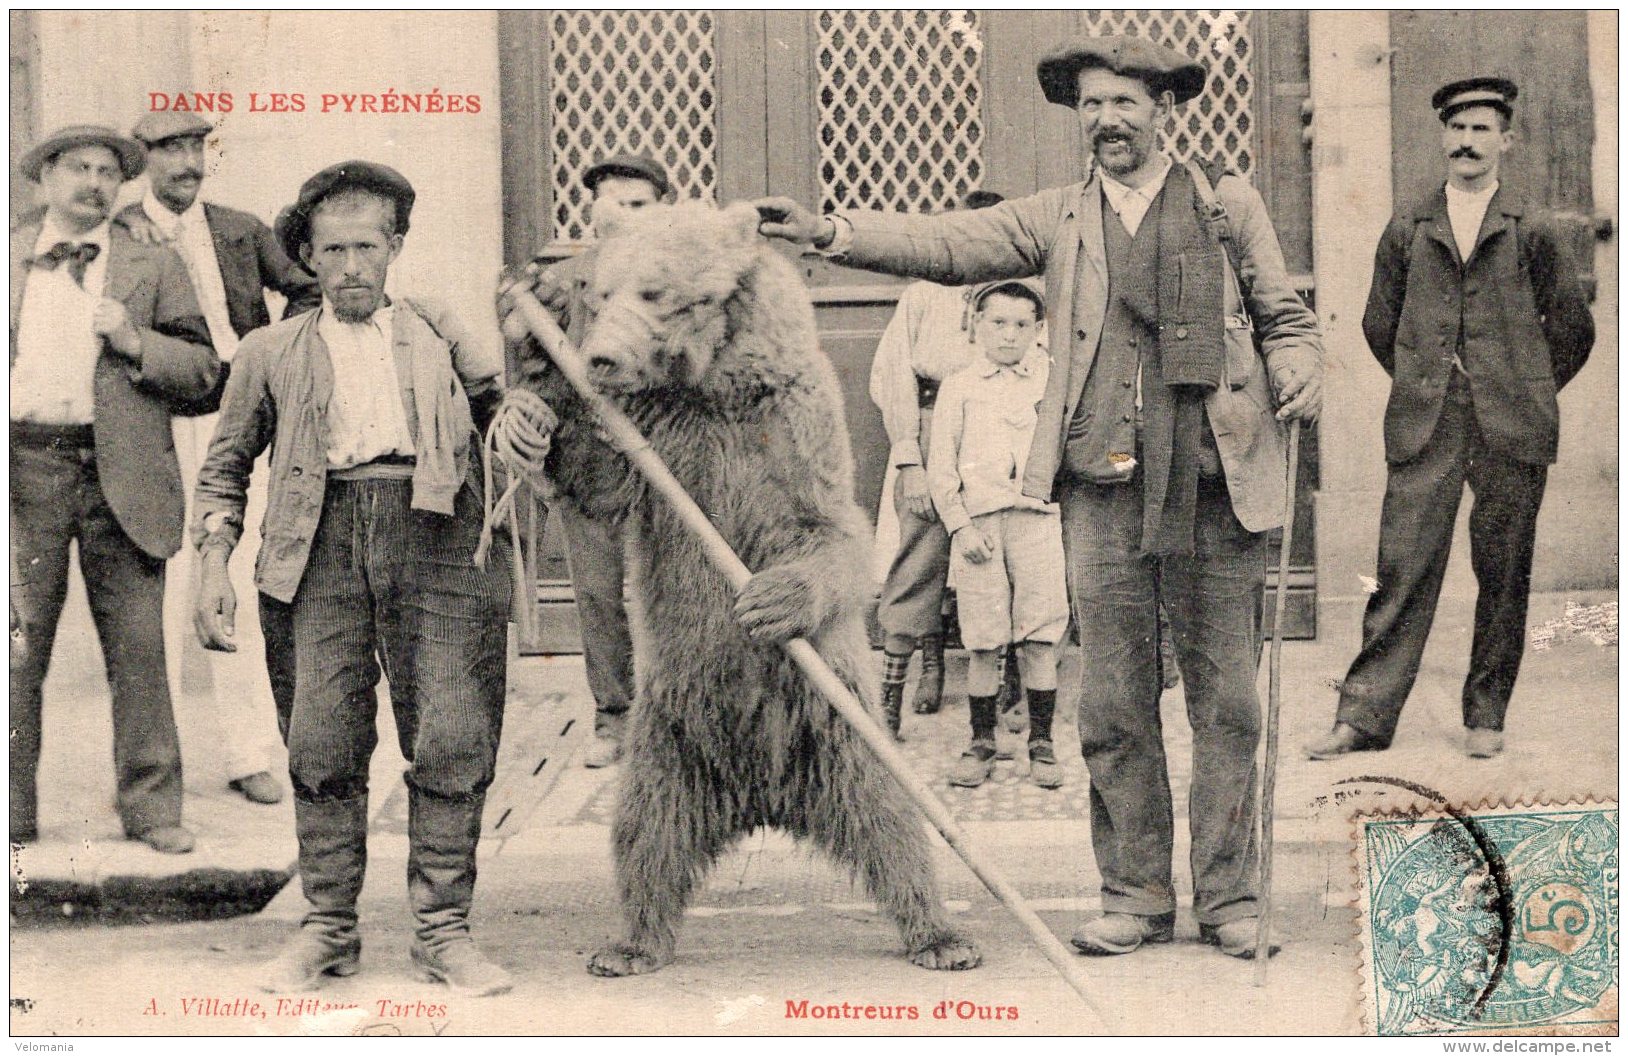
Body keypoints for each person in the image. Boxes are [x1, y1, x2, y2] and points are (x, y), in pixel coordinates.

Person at [755, 33, 1323, 959]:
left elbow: (1284, 318)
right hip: (1102, 490)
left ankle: (1230, 899)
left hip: (1218, 488)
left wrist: (1299, 365)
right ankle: (1135, 893)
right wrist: (830, 232)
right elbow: (946, 244)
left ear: (1163, 112)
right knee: (1112, 705)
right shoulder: (1059, 218)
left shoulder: (1227, 204)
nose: (1105, 121)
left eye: (1124, 104)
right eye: (1091, 106)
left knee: (1228, 706)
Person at [193, 161, 511, 994]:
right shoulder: (270, 352)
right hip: (314, 545)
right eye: (331, 250)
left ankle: (444, 931)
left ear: (395, 247)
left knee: (450, 735)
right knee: (321, 742)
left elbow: (502, 413)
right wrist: (211, 567)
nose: (350, 268)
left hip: (437, 538)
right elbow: (224, 469)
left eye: (367, 247)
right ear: (308, 256)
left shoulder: (441, 332)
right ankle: (328, 929)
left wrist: (519, 420)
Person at [1307, 78, 1593, 762]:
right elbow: (1382, 324)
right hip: (1427, 422)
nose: (1467, 142)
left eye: (1481, 129)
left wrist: (1523, 386)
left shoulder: (1535, 229)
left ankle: (1486, 714)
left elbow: (1573, 329)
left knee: (1502, 571)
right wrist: (1427, 381)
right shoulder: (1411, 225)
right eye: (1457, 128)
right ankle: (1363, 719)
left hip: (1511, 426)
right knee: (1400, 568)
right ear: (1442, 136)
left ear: (1506, 141)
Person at [10, 125, 223, 854]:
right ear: (44, 177)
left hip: (120, 475)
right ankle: (10, 812)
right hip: (22, 473)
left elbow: (204, 376)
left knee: (139, 648)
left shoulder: (152, 264)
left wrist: (138, 342)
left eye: (107, 171)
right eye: (78, 167)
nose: (93, 182)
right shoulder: (9, 257)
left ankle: (154, 810)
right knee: (16, 645)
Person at [123, 110, 321, 806]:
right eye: (170, 151)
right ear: (144, 158)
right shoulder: (121, 234)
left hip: (235, 424)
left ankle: (248, 754)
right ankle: (159, 766)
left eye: (195, 149)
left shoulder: (238, 227)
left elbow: (307, 286)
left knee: (237, 573)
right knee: (164, 588)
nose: (186, 164)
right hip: (155, 423)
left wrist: (269, 358)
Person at [511, 153, 672, 769]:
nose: (626, 217)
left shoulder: (679, 275)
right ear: (594, 214)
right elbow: (537, 377)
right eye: (614, 206)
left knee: (671, 592)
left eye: (640, 205)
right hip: (591, 464)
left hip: (669, 457)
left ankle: (675, 717)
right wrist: (545, 411)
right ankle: (614, 718)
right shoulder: (560, 284)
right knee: (600, 593)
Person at [869, 191, 1011, 736]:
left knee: (999, 547)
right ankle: (901, 683)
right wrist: (909, 458)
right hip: (929, 426)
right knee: (921, 553)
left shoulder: (1018, 293)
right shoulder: (926, 292)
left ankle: (1010, 680)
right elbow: (894, 374)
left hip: (998, 427)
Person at [927, 281, 1068, 789]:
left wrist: (1122, 466)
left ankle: (1042, 744)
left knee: (1039, 636)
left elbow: (1080, 449)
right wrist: (960, 526)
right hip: (981, 531)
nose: (1010, 336)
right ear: (976, 325)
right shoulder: (959, 386)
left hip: (1038, 524)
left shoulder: (1053, 381)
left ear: (1037, 329)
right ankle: (982, 741)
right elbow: (942, 469)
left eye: (1022, 325)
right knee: (984, 640)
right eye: (998, 323)